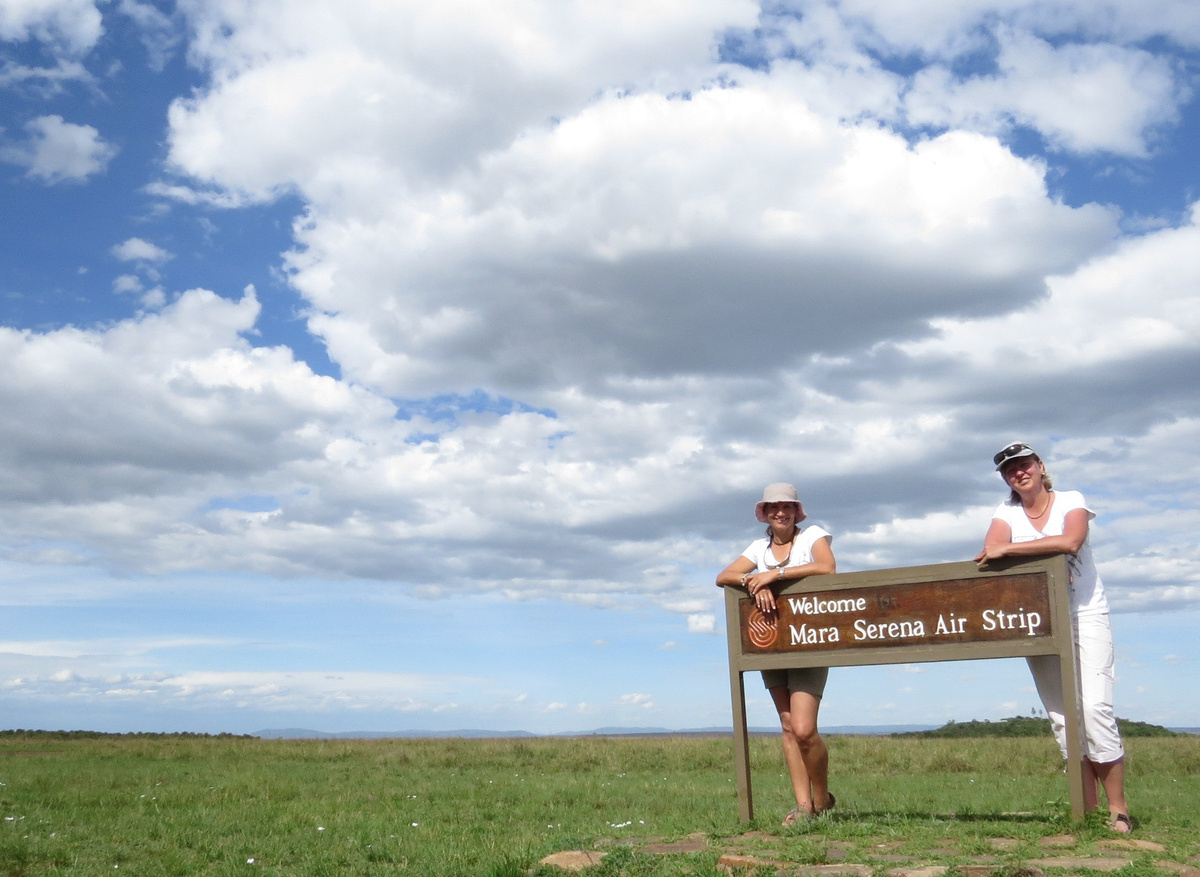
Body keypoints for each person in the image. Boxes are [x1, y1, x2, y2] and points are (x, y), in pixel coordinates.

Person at [974, 441, 1131, 833]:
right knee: (1063, 719)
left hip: (1085, 613)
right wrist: (1006, 549)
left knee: (1095, 710)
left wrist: (1011, 549)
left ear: (1041, 466)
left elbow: (1071, 540)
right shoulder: (1006, 511)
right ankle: (1088, 812)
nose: (1019, 472)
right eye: (1011, 470)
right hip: (1039, 620)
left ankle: (1119, 810)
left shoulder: (1070, 499)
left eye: (1025, 464)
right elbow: (990, 547)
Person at [716, 482, 836, 825]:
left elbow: (827, 567)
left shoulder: (812, 535)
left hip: (810, 639)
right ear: (764, 514)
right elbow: (724, 576)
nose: (780, 513)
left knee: (803, 729)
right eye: (773, 508)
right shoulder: (759, 546)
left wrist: (774, 574)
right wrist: (755, 582)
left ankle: (821, 797)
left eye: (786, 507)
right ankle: (803, 808)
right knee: (786, 726)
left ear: (797, 511)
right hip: (772, 641)